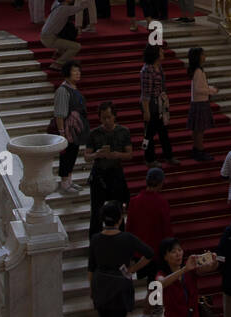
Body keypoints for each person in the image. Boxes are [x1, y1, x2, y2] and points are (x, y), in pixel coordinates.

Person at [87, 200, 155, 317]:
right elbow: (149, 253)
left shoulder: (95, 239)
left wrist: (92, 289)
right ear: (120, 219)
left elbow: (91, 268)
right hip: (119, 284)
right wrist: (132, 270)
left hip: (101, 283)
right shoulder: (127, 238)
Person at [127, 168, 172, 317]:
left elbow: (129, 227)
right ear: (161, 183)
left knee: (152, 284)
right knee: (154, 285)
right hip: (156, 252)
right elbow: (167, 230)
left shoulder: (134, 201)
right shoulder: (161, 203)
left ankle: (154, 308)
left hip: (140, 252)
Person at [85, 101, 133, 239]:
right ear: (99, 118)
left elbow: (129, 154)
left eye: (109, 117)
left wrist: (117, 155)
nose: (107, 120)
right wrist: (97, 154)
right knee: (96, 210)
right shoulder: (94, 133)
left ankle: (120, 237)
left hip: (115, 173)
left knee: (118, 208)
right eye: (104, 117)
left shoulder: (123, 131)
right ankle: (95, 241)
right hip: (99, 174)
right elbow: (87, 156)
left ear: (114, 116)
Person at [51, 62, 90, 194]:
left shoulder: (73, 88)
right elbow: (60, 114)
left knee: (72, 154)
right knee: (66, 155)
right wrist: (62, 132)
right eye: (75, 71)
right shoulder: (63, 90)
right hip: (67, 129)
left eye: (79, 71)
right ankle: (64, 182)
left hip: (75, 129)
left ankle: (69, 180)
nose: (78, 73)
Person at [141, 43, 176, 165]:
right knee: (149, 133)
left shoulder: (158, 67)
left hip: (160, 104)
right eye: (161, 51)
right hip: (151, 105)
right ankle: (149, 158)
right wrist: (146, 111)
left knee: (163, 131)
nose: (163, 53)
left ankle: (168, 155)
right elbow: (145, 93)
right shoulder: (147, 70)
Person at [187, 46, 217, 162]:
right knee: (199, 130)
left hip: (198, 102)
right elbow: (198, 89)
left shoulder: (197, 70)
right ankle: (199, 150)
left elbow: (199, 87)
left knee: (197, 129)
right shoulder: (198, 71)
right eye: (203, 54)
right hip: (200, 103)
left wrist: (209, 88)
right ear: (198, 57)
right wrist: (211, 91)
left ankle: (196, 149)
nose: (205, 56)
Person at [40, 0, 82, 68]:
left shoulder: (56, 3)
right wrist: (89, 1)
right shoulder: (64, 9)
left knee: (67, 34)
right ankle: (58, 63)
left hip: (46, 35)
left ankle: (58, 53)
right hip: (50, 39)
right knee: (76, 46)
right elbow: (81, 7)